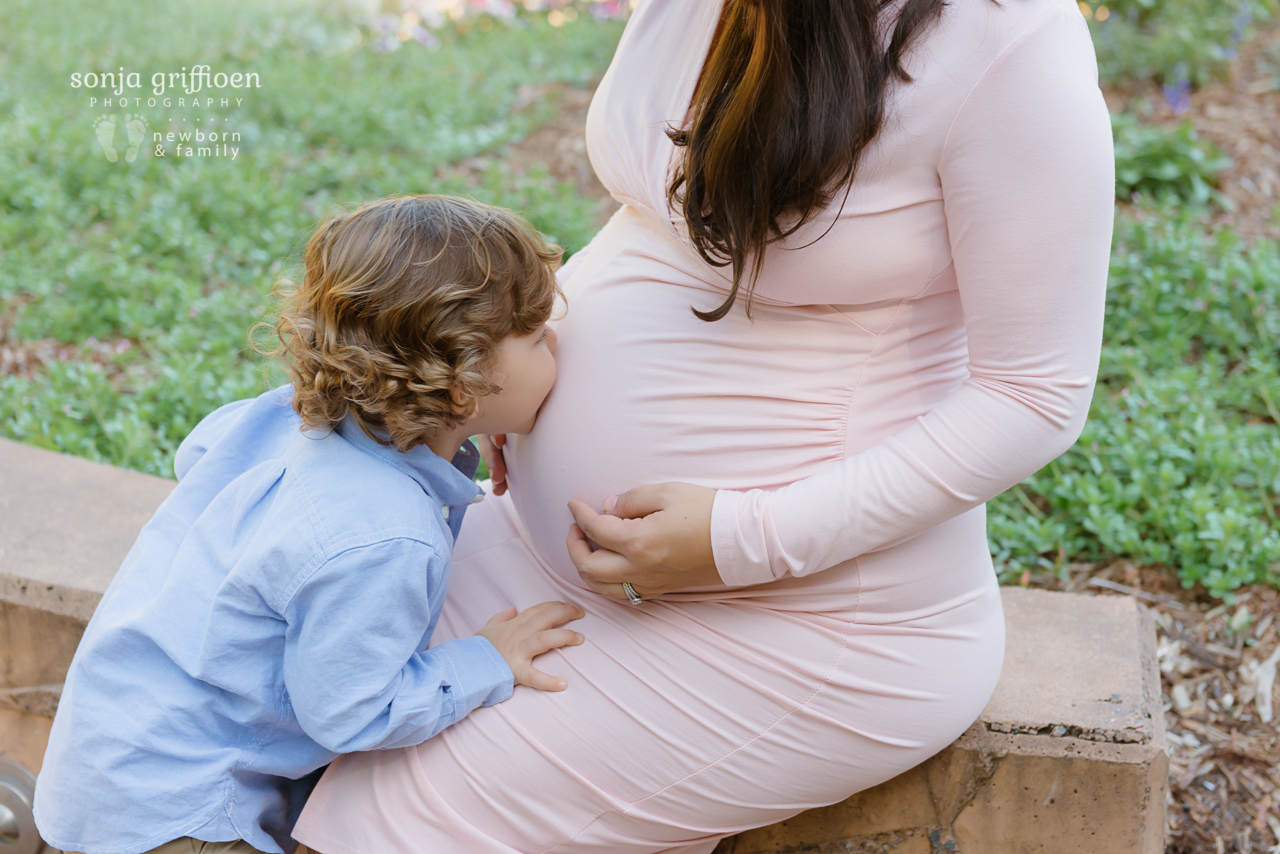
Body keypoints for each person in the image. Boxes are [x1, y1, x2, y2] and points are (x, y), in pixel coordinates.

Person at [293, 0, 1115, 851]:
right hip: (555, 560)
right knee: (291, 699)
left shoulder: (1008, 42)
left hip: (801, 630)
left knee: (384, 826)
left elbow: (1035, 395)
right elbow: (667, 217)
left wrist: (738, 540)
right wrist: (514, 378)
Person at [33, 195, 586, 854]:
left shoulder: (274, 418)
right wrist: (485, 662)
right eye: (534, 335)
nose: (553, 340)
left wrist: (470, 438)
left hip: (109, 759)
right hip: (184, 820)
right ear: (462, 387)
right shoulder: (385, 534)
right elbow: (352, 711)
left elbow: (200, 457)